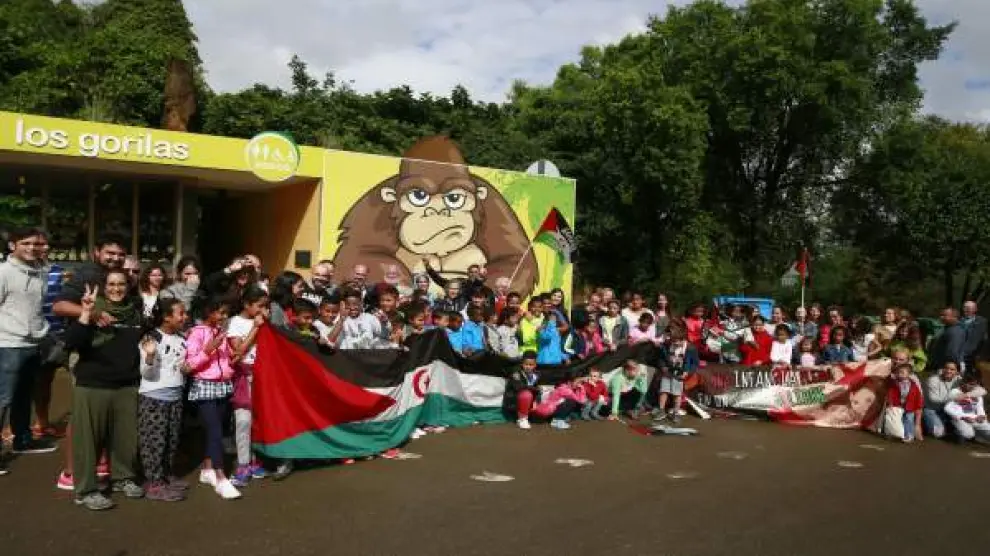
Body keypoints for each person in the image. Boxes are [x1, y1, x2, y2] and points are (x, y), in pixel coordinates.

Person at [51, 233, 130, 489]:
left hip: (111, 353)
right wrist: (91, 313)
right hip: (86, 350)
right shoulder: (86, 274)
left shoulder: (122, 276)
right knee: (82, 415)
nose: (115, 258)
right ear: (97, 252)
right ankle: (71, 472)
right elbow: (59, 306)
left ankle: (100, 461)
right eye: (110, 253)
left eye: (120, 254)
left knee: (104, 412)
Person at [64, 274, 146, 510]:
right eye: (111, 284)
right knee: (88, 440)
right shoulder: (93, 310)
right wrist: (86, 313)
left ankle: (123, 477)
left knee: (126, 438)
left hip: (127, 384)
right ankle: (86, 490)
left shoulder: (134, 313)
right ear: (103, 288)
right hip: (93, 384)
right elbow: (72, 343)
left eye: (121, 284)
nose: (116, 288)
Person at [0, 227, 56, 475]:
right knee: (3, 399)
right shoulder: (4, 272)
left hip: (33, 343)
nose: (32, 248)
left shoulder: (40, 271)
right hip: (8, 344)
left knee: (24, 396)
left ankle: (22, 439)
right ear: (12, 246)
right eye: (25, 243)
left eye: (36, 244)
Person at [185, 296, 240, 500]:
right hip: (204, 385)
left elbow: (226, 360)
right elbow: (190, 364)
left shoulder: (221, 332)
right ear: (209, 312)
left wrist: (232, 360)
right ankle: (221, 477)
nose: (224, 316)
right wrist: (208, 349)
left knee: (216, 430)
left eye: (226, 313)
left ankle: (207, 469)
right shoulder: (196, 333)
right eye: (221, 312)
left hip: (223, 385)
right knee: (215, 430)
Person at [137, 298, 189, 502]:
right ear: (167, 317)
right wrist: (150, 356)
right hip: (154, 398)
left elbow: (179, 367)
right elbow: (146, 373)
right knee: (154, 442)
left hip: (175, 396)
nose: (185, 317)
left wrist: (185, 370)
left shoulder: (181, 338)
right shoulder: (151, 338)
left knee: (171, 439)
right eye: (180, 314)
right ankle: (153, 483)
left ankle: (166, 474)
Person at [226, 286, 269, 487]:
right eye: (259, 306)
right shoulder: (235, 322)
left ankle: (255, 461)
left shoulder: (265, 321)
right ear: (246, 304)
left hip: (262, 376)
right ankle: (243, 464)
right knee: (243, 421)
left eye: (265, 306)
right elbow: (238, 350)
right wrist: (256, 328)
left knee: (258, 421)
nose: (263, 310)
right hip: (244, 376)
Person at [655, 328, 699, 424]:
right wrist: (663, 367)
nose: (674, 343)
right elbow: (661, 358)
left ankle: (676, 413)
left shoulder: (691, 348)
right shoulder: (667, 345)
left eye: (676, 341)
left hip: (679, 374)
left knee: (677, 394)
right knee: (663, 391)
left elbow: (695, 364)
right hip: (667, 372)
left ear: (683, 339)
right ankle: (661, 411)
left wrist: (688, 372)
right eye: (672, 341)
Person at [883, 363, 923, 443]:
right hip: (897, 406)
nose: (899, 374)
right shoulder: (894, 383)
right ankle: (894, 434)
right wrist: (890, 403)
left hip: (910, 407)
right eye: (898, 372)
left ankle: (909, 435)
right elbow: (890, 394)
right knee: (897, 420)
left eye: (902, 372)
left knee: (909, 421)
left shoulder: (913, 385)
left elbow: (918, 397)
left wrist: (918, 406)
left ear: (909, 374)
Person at [923, 361, 965, 439]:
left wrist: (967, 395)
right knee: (938, 434)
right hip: (932, 409)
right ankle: (925, 423)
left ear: (957, 372)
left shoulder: (959, 380)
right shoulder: (933, 380)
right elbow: (933, 398)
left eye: (952, 369)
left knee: (964, 432)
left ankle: (946, 424)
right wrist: (954, 398)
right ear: (942, 369)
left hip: (949, 410)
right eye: (946, 368)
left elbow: (979, 389)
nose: (948, 371)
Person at [944, 374, 990, 443]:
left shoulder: (976, 393)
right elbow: (947, 408)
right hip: (959, 419)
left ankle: (978, 435)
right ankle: (953, 431)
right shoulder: (954, 392)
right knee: (968, 434)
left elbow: (979, 407)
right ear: (964, 382)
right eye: (970, 384)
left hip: (974, 418)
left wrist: (981, 415)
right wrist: (963, 417)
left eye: (975, 385)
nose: (973, 387)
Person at [930, 308, 966, 374]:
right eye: (941, 315)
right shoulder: (948, 329)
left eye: (944, 315)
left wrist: (947, 369)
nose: (941, 317)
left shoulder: (955, 331)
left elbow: (952, 352)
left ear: (954, 317)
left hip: (947, 368)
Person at [960, 301, 987, 371]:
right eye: (964, 307)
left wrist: (980, 354)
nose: (966, 309)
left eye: (968, 308)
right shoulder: (959, 321)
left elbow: (984, 339)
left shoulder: (982, 322)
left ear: (975, 309)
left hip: (974, 355)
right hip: (961, 355)